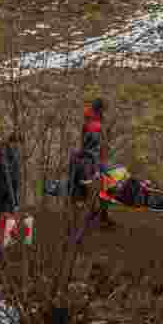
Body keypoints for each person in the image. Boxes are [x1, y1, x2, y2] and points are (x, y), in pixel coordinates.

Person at [71, 98, 116, 229]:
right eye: (103, 109)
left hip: (91, 158)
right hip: (91, 159)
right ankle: (99, 216)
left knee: (104, 187)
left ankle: (100, 215)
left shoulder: (92, 120)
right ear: (100, 109)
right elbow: (93, 145)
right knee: (106, 186)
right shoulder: (93, 124)